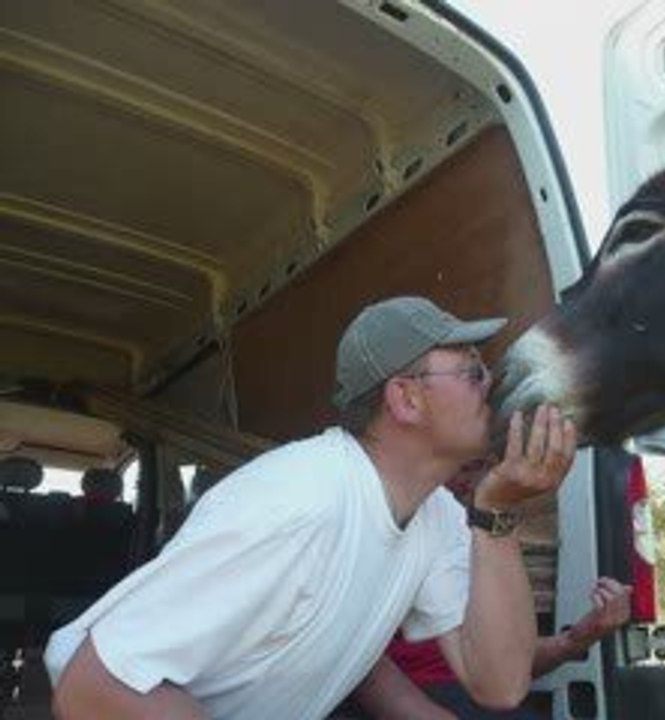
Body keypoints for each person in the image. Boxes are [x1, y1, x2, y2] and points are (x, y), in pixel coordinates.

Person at [42, 296, 577, 720]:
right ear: (406, 399)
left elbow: (501, 684)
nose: (493, 384)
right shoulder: (300, 502)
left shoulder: (433, 514)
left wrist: (498, 515)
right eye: (472, 370)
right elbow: (94, 689)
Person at [351, 577, 632, 719]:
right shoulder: (372, 524)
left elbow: (502, 664)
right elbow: (358, 659)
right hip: (407, 696)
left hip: (471, 697)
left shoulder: (472, 537)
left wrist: (577, 639)